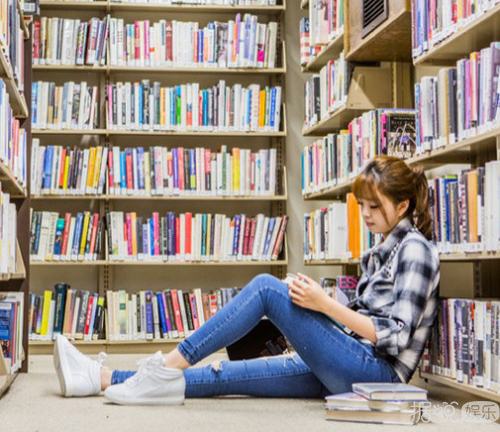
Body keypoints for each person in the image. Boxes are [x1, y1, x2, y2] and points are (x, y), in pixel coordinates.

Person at [53, 155, 440, 405]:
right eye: (362, 207)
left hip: (377, 376)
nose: (366, 215)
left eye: (376, 207)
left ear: (402, 206)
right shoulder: (380, 249)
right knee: (227, 375)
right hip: (346, 365)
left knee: (267, 289)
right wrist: (314, 321)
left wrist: (325, 306)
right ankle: (99, 378)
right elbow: (359, 320)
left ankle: (164, 365)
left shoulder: (415, 251)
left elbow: (396, 335)